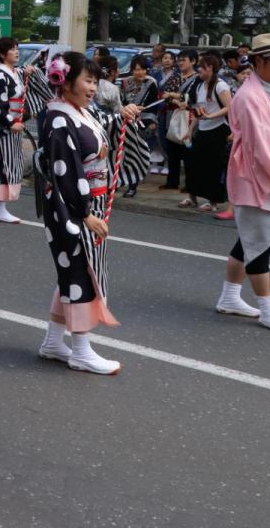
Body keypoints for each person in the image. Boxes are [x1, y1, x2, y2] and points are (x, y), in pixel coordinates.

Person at [34, 53, 143, 375]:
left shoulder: (78, 112)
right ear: (64, 82)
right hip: (71, 209)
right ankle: (80, 350)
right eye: (88, 80)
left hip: (84, 205)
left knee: (74, 274)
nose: (94, 87)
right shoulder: (58, 118)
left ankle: (54, 341)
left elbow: (101, 127)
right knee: (81, 275)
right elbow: (65, 172)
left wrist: (122, 114)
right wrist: (84, 215)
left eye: (96, 81)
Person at [215, 33, 270, 334]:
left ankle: (229, 297)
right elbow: (260, 144)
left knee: (249, 240)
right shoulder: (250, 96)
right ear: (258, 61)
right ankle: (268, 310)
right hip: (258, 176)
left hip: (266, 173)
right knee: (259, 246)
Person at [0, 37, 35, 223]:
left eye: (17, 48)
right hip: (3, 129)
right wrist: (10, 123)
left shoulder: (14, 72)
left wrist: (29, 72)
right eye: (12, 49)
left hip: (12, 126)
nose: (16, 51)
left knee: (10, 165)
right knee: (4, 166)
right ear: (2, 54)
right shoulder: (1, 74)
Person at [172, 52, 231, 213]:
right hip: (203, 129)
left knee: (212, 167)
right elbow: (199, 111)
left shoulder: (221, 86)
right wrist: (190, 130)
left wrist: (211, 116)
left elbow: (229, 107)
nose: (199, 71)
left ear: (210, 68)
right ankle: (192, 197)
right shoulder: (200, 86)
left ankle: (213, 201)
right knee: (193, 164)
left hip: (218, 130)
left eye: (202, 68)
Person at [158, 49, 200, 191]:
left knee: (188, 152)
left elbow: (191, 98)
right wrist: (177, 98)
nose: (180, 62)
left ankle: (190, 184)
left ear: (193, 61)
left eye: (184, 60)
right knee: (172, 151)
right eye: (179, 60)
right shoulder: (175, 77)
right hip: (172, 116)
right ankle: (172, 181)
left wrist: (174, 95)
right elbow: (164, 95)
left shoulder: (197, 78)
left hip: (189, 118)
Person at [120, 56, 160, 196]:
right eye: (137, 69)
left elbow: (155, 105)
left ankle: (133, 185)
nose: (140, 72)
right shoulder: (125, 82)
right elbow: (122, 101)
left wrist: (153, 122)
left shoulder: (151, 83)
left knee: (136, 153)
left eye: (143, 69)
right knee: (123, 153)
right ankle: (120, 181)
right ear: (132, 70)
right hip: (127, 119)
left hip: (144, 121)